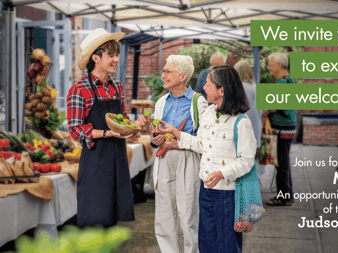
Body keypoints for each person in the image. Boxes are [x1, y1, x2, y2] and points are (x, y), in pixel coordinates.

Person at [157, 65, 257, 253]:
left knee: (227, 243)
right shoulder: (210, 113)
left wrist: (222, 173)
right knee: (206, 240)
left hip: (228, 194)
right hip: (206, 190)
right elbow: (201, 144)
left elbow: (247, 160)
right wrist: (176, 135)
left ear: (222, 90)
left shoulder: (241, 122)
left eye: (208, 84)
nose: (203, 87)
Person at [67, 28, 147, 228]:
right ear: (95, 57)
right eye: (111, 55)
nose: (116, 59)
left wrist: (135, 125)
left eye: (117, 55)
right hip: (95, 160)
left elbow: (122, 118)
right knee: (95, 215)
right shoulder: (79, 90)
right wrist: (106, 133)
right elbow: (75, 129)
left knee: (111, 215)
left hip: (118, 158)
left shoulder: (117, 86)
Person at [149, 55, 208, 253]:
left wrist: (179, 142)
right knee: (164, 217)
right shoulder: (161, 102)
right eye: (163, 71)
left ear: (182, 76)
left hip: (188, 160)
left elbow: (204, 142)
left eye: (168, 71)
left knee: (189, 216)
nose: (163, 75)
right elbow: (155, 133)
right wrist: (155, 139)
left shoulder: (198, 103)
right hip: (164, 159)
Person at [263, 52, 296, 206]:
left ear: (279, 65)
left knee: (281, 164)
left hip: (282, 129)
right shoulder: (289, 81)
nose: (268, 66)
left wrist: (268, 110)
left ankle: (283, 197)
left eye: (270, 64)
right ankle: (288, 194)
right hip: (288, 128)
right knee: (284, 163)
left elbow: (282, 106)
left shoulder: (282, 84)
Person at [234, 59, 263, 173]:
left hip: (243, 131)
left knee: (241, 166)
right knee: (252, 164)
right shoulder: (256, 87)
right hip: (256, 130)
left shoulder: (239, 88)